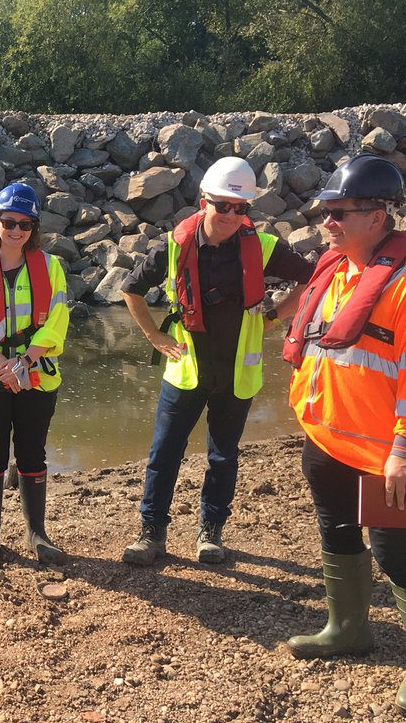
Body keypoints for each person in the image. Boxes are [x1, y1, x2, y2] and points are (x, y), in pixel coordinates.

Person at [283, 154, 406, 716]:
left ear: (379, 215)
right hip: (327, 439)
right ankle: (346, 628)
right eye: (325, 210)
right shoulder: (338, 269)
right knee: (335, 530)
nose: (327, 221)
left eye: (340, 212)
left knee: (395, 550)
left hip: (387, 453)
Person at [120, 156, 316, 565]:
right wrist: (154, 336)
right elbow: (131, 288)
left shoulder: (261, 246)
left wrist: (275, 317)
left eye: (240, 207)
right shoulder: (175, 246)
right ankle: (151, 534)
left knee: (223, 456)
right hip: (186, 370)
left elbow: (312, 279)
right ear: (204, 201)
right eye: (222, 205)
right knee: (163, 454)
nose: (229, 214)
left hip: (235, 373)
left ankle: (211, 533)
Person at [0, 183, 70, 568]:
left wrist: (30, 358)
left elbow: (58, 317)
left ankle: (37, 533)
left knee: (33, 452)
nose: (16, 230)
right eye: (9, 222)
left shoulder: (50, 267)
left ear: (34, 227)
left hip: (36, 375)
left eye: (25, 224)